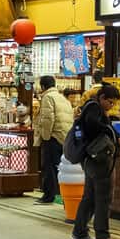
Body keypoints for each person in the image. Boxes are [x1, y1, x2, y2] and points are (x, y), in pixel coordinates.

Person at [70, 84, 120, 239]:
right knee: (103, 198)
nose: (111, 106)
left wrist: (116, 136)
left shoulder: (92, 108)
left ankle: (79, 232)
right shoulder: (94, 109)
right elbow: (96, 127)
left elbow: (105, 127)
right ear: (102, 98)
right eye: (110, 102)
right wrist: (112, 134)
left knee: (90, 197)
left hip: (91, 160)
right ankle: (102, 236)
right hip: (98, 160)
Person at [34, 75, 72, 205]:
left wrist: (45, 137)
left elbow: (48, 119)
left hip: (53, 136)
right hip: (64, 136)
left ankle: (48, 195)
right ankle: (60, 194)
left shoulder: (47, 97)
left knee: (49, 166)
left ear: (43, 86)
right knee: (59, 167)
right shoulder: (62, 98)